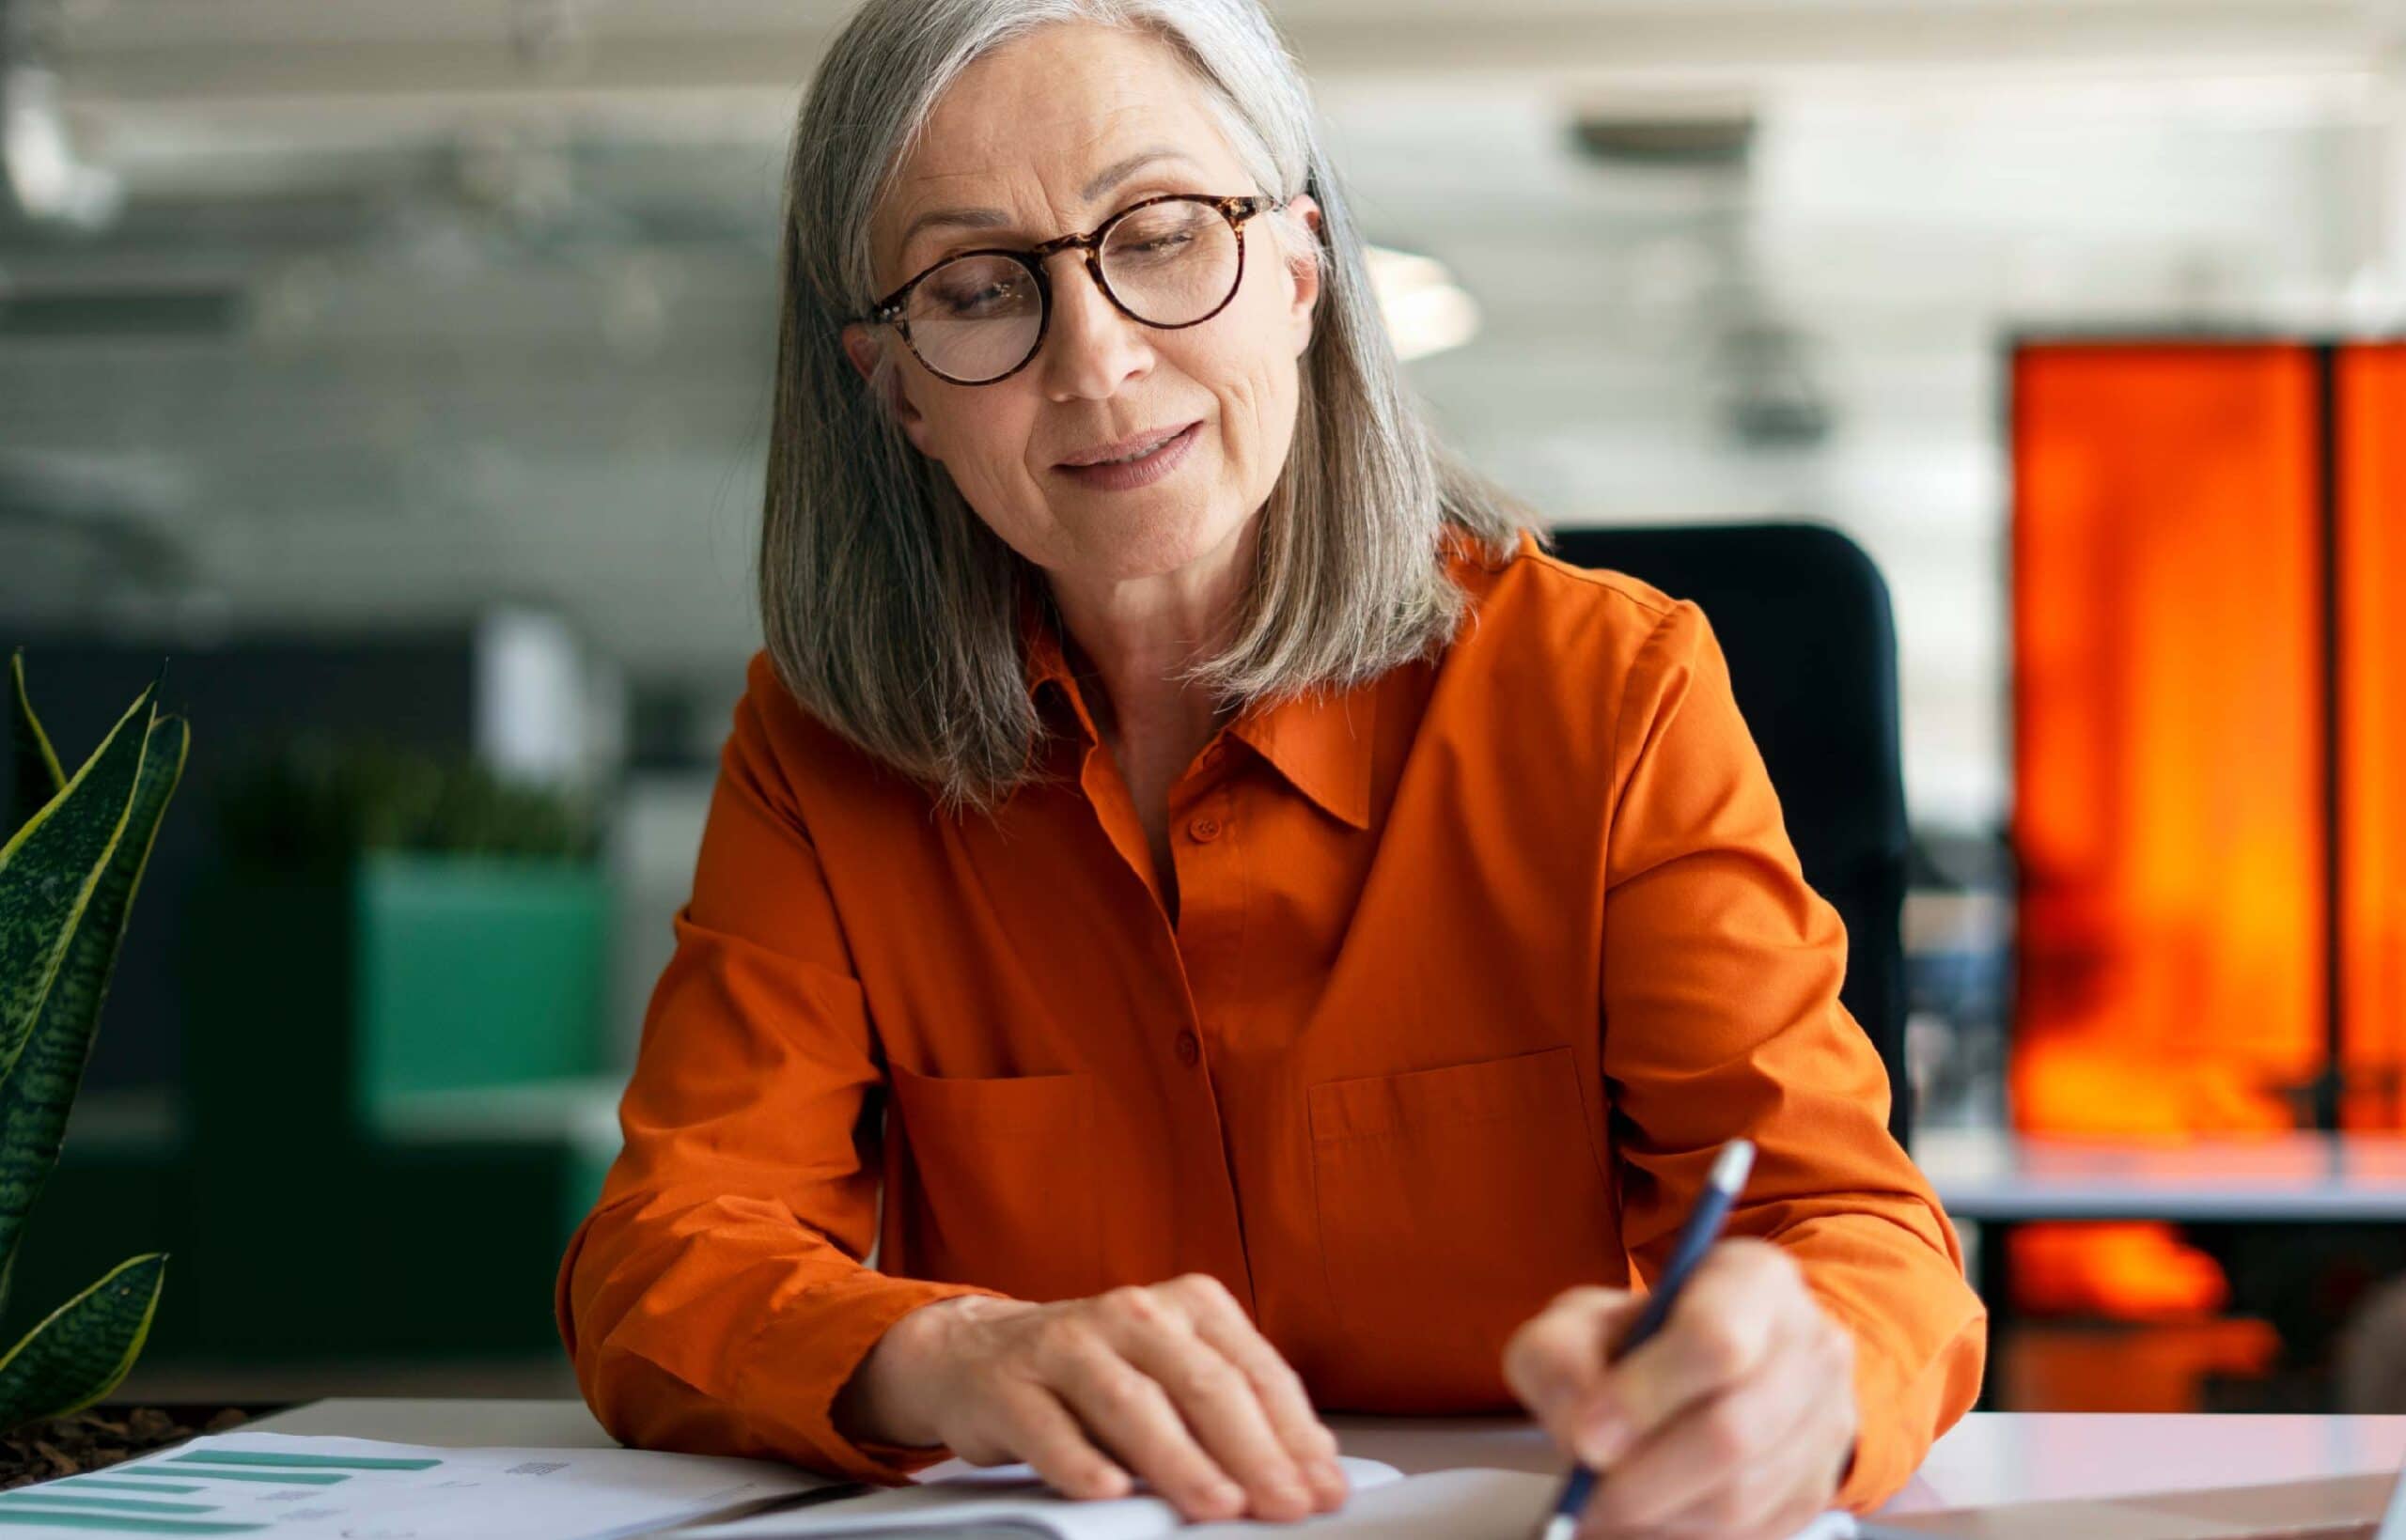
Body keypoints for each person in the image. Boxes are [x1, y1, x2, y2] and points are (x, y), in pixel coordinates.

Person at [555, 2, 1987, 1536]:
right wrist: (946, 1352)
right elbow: (668, 1254)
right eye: (977, 290)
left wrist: (1796, 1383)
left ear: (1302, 270)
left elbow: (1849, 1229)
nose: (1096, 362)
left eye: (1165, 235)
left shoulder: (1603, 691)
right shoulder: (826, 747)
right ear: (897, 389)